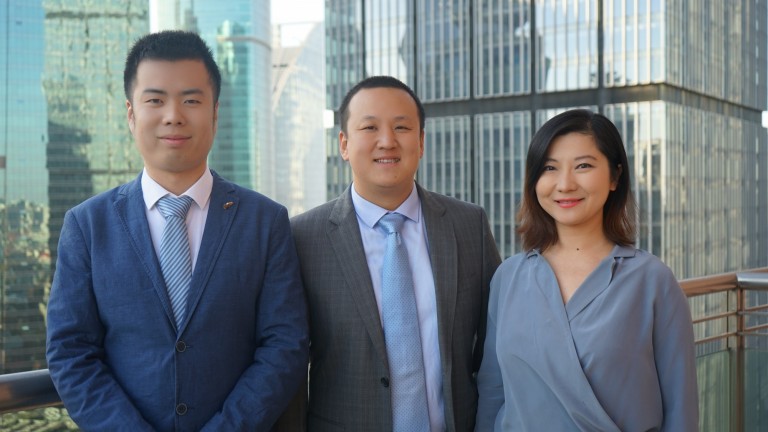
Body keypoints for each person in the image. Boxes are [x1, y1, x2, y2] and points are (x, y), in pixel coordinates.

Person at [45, 30, 309, 431]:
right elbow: (70, 353)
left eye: (191, 100)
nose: (173, 115)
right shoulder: (87, 225)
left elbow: (285, 345)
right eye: (155, 100)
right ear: (131, 114)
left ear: (215, 113)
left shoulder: (265, 221)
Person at [289, 75, 501, 431]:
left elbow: (496, 345)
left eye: (401, 128)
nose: (387, 141)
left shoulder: (469, 225)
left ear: (420, 143)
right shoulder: (302, 237)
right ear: (343, 143)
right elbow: (288, 366)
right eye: (369, 127)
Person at [475, 109, 698, 431]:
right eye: (549, 168)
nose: (564, 184)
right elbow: (492, 393)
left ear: (614, 177)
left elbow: (681, 409)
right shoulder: (508, 278)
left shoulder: (652, 281)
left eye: (583, 166)